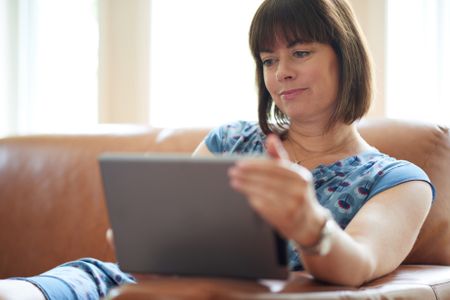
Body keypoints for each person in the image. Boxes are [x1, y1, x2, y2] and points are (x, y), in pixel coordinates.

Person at [0, 0, 434, 299]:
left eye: (300, 52)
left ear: (347, 58)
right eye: (268, 60)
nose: (281, 73)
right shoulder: (231, 140)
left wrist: (310, 225)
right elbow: (166, 243)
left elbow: (359, 264)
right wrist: (149, 244)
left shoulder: (399, 181)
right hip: (133, 287)